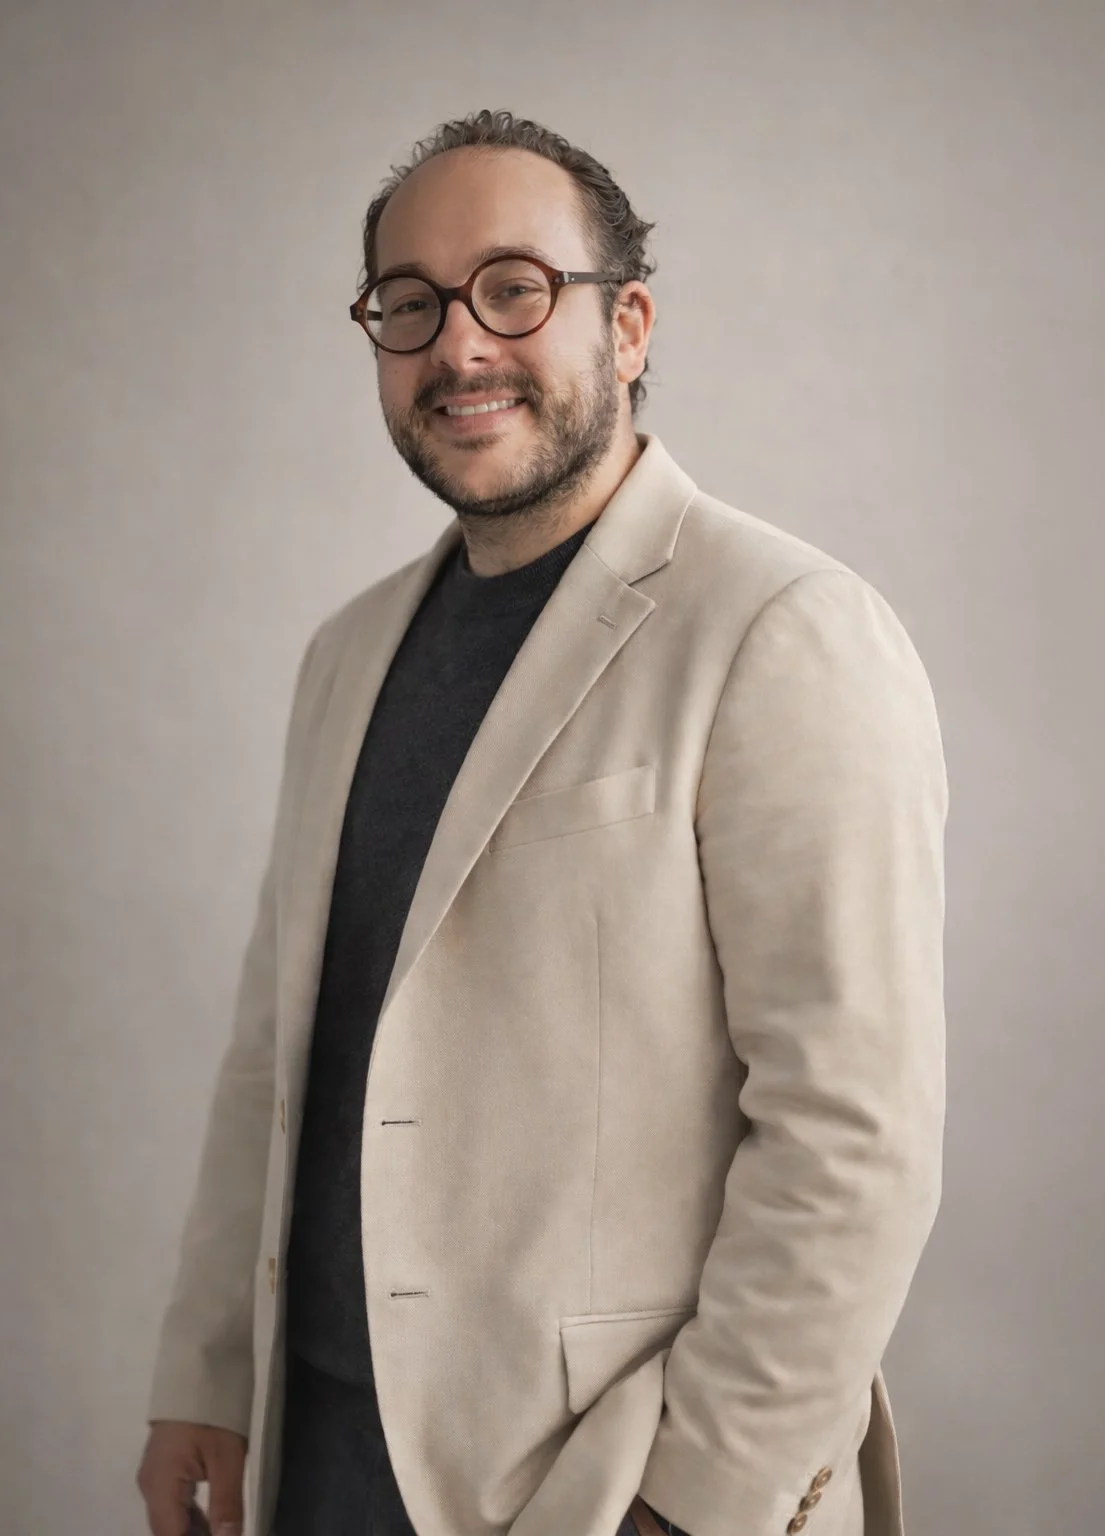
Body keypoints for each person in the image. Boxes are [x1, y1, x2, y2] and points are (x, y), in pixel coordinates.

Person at [136, 109, 948, 1536]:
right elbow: (279, 1045)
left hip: (595, 1473)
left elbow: (850, 1136)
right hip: (314, 1445)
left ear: (626, 324)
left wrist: (696, 1502)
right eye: (410, 304)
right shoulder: (347, 652)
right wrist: (207, 1367)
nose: (458, 345)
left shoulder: (782, 630)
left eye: (515, 288)